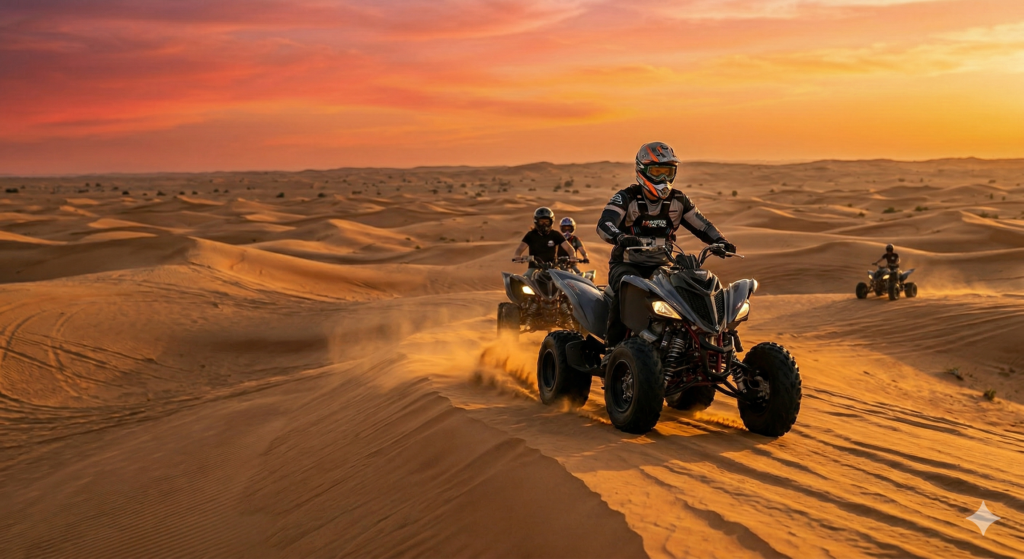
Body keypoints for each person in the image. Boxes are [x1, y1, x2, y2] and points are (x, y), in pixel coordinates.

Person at [597, 142, 735, 347]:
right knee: (626, 289)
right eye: (657, 171)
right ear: (642, 170)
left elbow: (703, 226)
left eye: (668, 172)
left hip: (664, 266)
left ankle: (690, 343)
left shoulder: (678, 200)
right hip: (627, 264)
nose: (663, 178)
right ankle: (613, 349)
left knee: (689, 293)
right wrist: (620, 237)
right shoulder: (626, 197)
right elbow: (604, 224)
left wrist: (720, 241)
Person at [513, 207, 578, 278]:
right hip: (534, 267)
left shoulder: (555, 234)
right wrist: (517, 256)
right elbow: (520, 248)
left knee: (569, 278)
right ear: (536, 222)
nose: (544, 224)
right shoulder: (530, 235)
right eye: (541, 221)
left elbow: (568, 248)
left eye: (547, 222)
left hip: (553, 268)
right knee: (524, 279)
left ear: (551, 222)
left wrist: (572, 256)